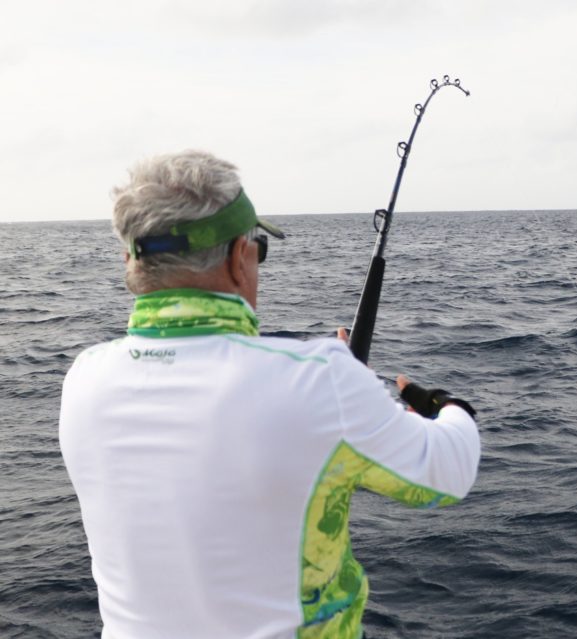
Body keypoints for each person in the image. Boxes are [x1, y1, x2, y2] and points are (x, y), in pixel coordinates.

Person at [59, 150, 481, 639]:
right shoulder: (320, 381)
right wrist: (443, 406)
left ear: (132, 262)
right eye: (257, 247)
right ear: (240, 257)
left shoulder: (84, 380)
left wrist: (331, 393)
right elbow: (447, 472)